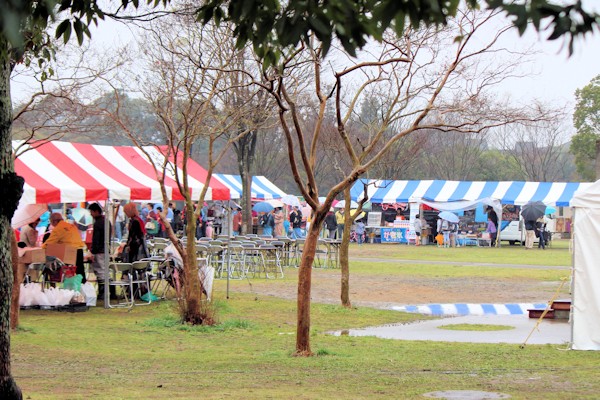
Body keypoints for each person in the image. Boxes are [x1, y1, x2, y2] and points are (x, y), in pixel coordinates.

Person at [42, 212, 87, 283]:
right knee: (80, 272)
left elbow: (49, 243)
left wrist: (40, 249)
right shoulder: (72, 226)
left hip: (69, 252)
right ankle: (83, 288)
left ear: (54, 221)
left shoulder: (58, 228)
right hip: (79, 250)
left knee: (68, 273)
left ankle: (68, 289)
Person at [88, 203, 115, 300]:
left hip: (99, 251)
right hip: (106, 249)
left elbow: (96, 239)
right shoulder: (107, 221)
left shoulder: (98, 223)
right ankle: (112, 292)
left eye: (91, 212)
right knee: (106, 272)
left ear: (95, 211)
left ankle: (103, 292)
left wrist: (92, 251)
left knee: (101, 272)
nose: (91, 214)